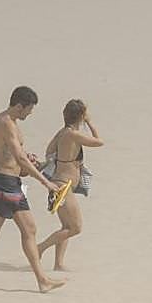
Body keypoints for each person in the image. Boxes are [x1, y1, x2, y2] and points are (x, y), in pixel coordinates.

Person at [0, 86, 66, 293]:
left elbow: (16, 155)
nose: (30, 113)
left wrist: (29, 161)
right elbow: (17, 157)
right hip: (4, 183)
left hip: (10, 182)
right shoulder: (5, 122)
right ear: (19, 106)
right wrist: (46, 182)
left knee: (21, 230)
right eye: (29, 109)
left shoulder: (13, 123)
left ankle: (41, 280)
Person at [35, 100, 103, 271]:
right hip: (63, 187)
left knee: (66, 227)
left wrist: (64, 159)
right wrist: (89, 121)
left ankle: (58, 263)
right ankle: (39, 248)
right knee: (75, 227)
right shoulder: (73, 134)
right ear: (80, 116)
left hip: (60, 184)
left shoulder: (62, 133)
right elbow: (99, 142)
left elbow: (49, 151)